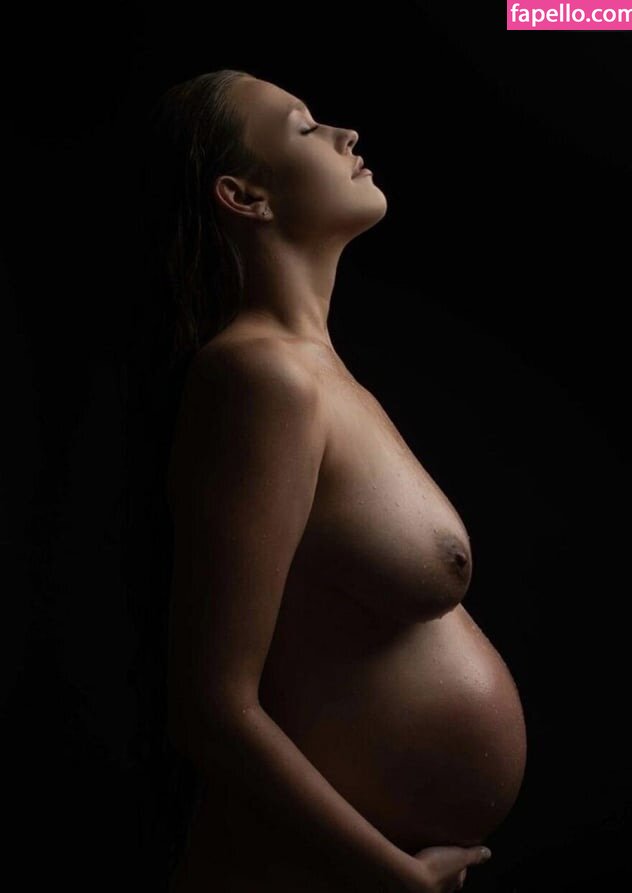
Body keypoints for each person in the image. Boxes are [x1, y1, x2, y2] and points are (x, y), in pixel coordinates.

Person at [148, 69, 527, 893]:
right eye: (303, 126)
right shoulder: (259, 379)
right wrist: (392, 878)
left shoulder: (320, 377)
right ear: (244, 196)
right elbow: (209, 708)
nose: (345, 134)